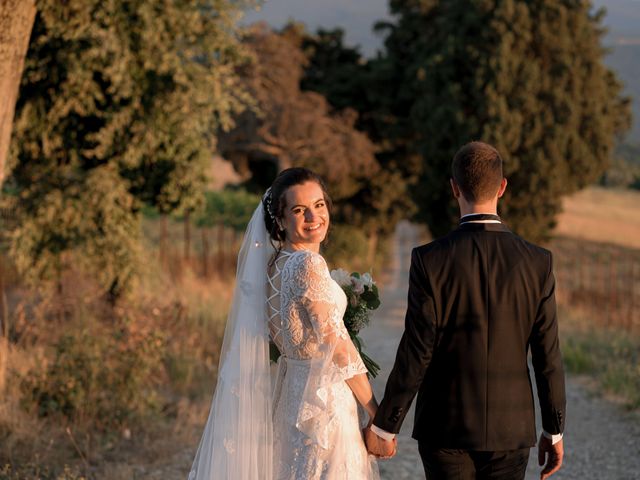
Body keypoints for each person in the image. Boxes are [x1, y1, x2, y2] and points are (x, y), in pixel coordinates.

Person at [365, 141, 566, 480]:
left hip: (445, 427)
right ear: (502, 187)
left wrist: (386, 426)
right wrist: (554, 429)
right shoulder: (538, 262)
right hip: (510, 428)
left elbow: (417, 351)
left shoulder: (429, 260)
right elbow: (548, 356)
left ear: (454, 188)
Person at [188, 167, 380, 480]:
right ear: (280, 219)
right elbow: (339, 347)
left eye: (319, 205)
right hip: (322, 405)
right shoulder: (308, 263)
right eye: (299, 210)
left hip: (291, 398)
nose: (313, 217)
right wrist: (377, 413)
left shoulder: (272, 266)